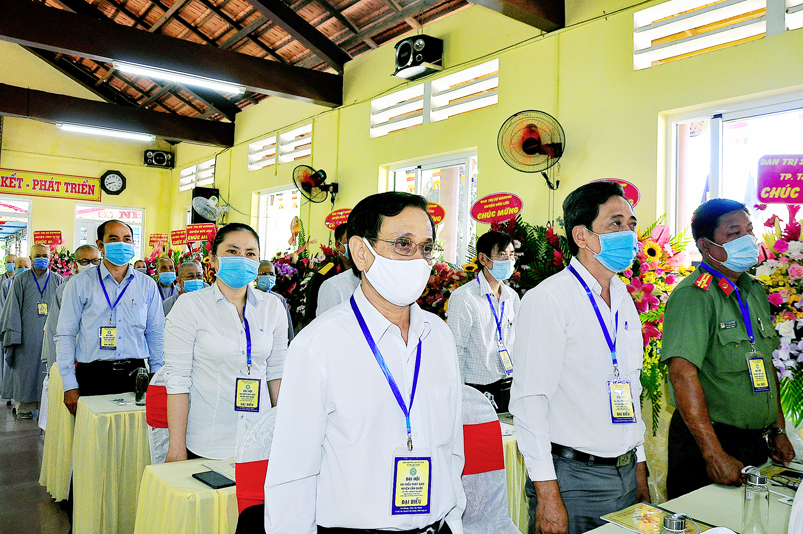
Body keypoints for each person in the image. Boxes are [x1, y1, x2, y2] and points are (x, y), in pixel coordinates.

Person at [265, 192, 465, 533]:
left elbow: (452, 451)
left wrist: (454, 523)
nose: (418, 259)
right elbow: (293, 475)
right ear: (361, 252)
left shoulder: (439, 337)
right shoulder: (318, 346)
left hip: (437, 525)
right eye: (404, 244)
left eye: (426, 248)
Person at [511, 181, 650, 534]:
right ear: (581, 235)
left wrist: (639, 467)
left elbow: (631, 388)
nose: (629, 234)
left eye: (631, 225)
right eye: (615, 223)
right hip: (572, 479)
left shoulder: (623, 298)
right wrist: (547, 493)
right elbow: (529, 402)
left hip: (625, 471)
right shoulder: (549, 299)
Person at [662, 199, 795, 499]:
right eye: (734, 233)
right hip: (709, 445)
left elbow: (766, 364)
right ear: (705, 246)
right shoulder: (694, 295)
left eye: (749, 230)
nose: (747, 239)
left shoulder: (754, 289)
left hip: (755, 443)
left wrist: (777, 429)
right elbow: (682, 375)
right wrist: (713, 454)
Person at [163, 223, 288, 461]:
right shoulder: (190, 306)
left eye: (250, 253)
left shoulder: (273, 307)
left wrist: (285, 434)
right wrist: (176, 447)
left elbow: (277, 373)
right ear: (212, 259)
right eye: (232, 251)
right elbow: (177, 381)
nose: (242, 259)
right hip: (208, 442)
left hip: (260, 442)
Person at [56, 220, 164, 414]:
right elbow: (66, 334)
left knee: (134, 431)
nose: (121, 244)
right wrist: (69, 383)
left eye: (127, 239)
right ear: (100, 245)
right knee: (94, 432)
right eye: (114, 239)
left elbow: (156, 333)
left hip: (136, 374)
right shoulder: (79, 284)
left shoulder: (147, 285)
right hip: (93, 374)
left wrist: (157, 375)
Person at [447, 230, 520, 413]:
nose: (509, 261)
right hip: (477, 389)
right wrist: (460, 396)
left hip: (508, 385)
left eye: (511, 255)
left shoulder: (512, 296)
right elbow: (456, 349)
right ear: (483, 259)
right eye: (502, 254)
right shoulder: (464, 297)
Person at [39, 245, 101, 429]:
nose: (90, 265)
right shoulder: (65, 289)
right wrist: (57, 369)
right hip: (73, 361)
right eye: (85, 261)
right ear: (75, 264)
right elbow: (55, 332)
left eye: (95, 261)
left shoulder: (110, 287)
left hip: (100, 363)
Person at [1, 244, 64, 418]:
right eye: (38, 256)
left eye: (45, 256)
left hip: (51, 334)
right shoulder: (20, 280)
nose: (42, 259)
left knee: (48, 370)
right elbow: (12, 308)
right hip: (26, 335)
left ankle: (47, 408)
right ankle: (24, 408)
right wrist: (14, 335)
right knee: (25, 372)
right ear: (31, 257)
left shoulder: (58, 280)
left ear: (50, 258)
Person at [304, 223, 355, 322]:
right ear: (338, 245)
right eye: (350, 241)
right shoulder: (323, 277)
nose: (356, 246)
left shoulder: (366, 273)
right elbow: (311, 317)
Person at [0, 257, 31, 402]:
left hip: (30, 331)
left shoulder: (35, 283)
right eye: (19, 266)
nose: (22, 269)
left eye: (26, 266)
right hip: (12, 328)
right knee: (12, 364)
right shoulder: (7, 284)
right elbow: (4, 309)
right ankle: (12, 396)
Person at [256, 260, 295, 341]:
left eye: (271, 274)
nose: (268, 276)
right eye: (263, 273)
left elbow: (287, 326)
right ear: (255, 277)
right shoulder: (249, 296)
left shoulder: (279, 299)